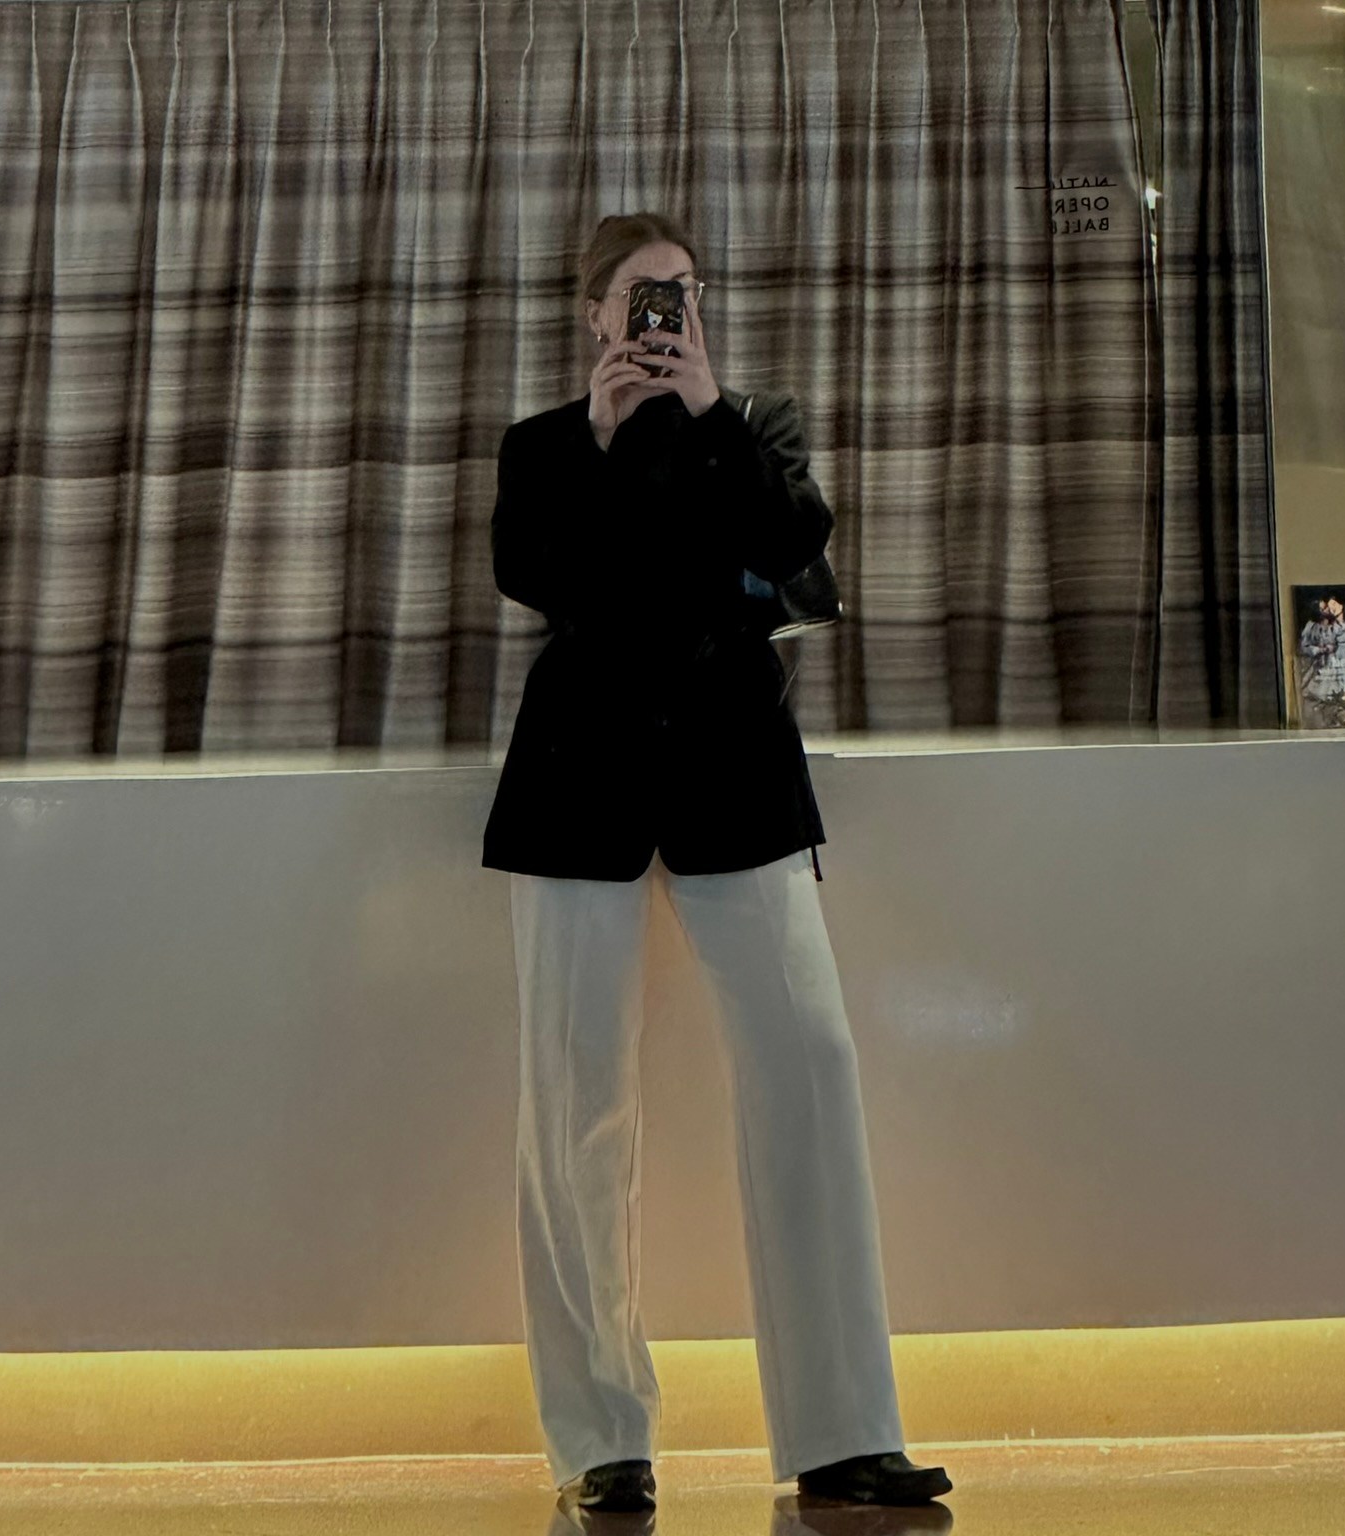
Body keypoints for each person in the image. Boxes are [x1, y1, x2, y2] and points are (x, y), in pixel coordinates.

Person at [482, 212, 954, 1515]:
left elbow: (795, 545)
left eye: (683, 295)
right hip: (577, 782)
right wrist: (599, 439)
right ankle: (600, 1438)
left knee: (812, 1070)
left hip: (736, 773)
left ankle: (846, 1429)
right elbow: (538, 576)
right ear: (595, 313)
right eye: (643, 297)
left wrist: (709, 414)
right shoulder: (542, 445)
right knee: (575, 1103)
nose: (665, 317)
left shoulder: (755, 427)